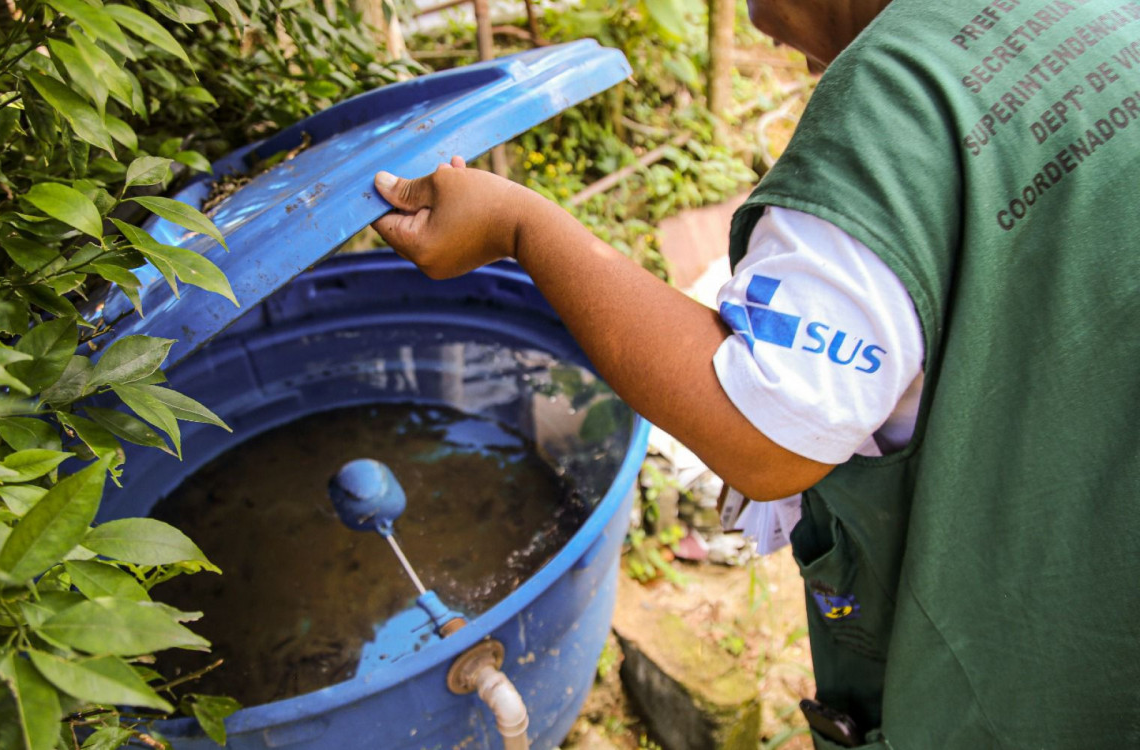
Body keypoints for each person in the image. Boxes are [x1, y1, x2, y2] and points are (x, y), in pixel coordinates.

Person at [371, 0, 1140, 746]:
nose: (753, 26)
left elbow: (767, 432)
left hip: (1013, 682)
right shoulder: (1100, 17)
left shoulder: (896, 101)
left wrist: (521, 226)